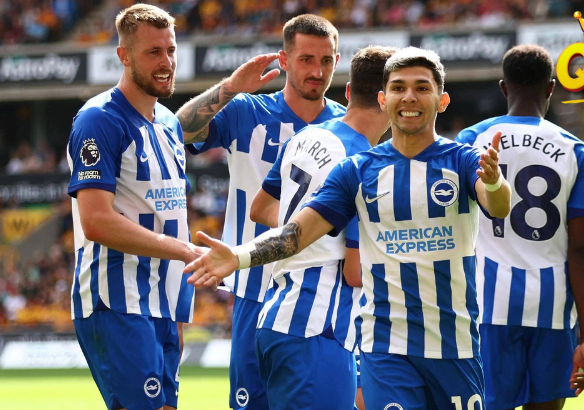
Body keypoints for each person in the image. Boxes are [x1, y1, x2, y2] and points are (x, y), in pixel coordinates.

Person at [184, 47, 512, 410]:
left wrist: (494, 182)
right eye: (398, 87)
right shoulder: (356, 169)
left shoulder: (463, 159)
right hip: (384, 346)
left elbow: (498, 206)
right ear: (383, 99)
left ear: (442, 100)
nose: (409, 97)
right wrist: (239, 256)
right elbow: (297, 233)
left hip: (453, 343)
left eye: (421, 87)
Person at [175, 14, 346, 410]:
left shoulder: (348, 127)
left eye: (326, 60)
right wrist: (229, 88)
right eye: (306, 59)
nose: (317, 71)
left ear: (337, 61)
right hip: (254, 287)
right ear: (283, 61)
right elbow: (178, 131)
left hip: (322, 296)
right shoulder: (247, 111)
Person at [67, 4, 203, 410]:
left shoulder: (169, 124)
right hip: (118, 299)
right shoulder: (99, 120)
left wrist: (178, 298)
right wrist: (185, 251)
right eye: (153, 52)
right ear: (123, 56)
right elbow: (96, 221)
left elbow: (169, 213)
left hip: (166, 300)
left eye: (171, 50)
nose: (167, 62)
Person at [248, 45, 396, 410]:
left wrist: (320, 226)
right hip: (318, 327)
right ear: (388, 99)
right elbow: (354, 271)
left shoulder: (303, 137)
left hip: (278, 317)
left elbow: (261, 209)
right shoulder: (365, 164)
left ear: (348, 91)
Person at [456, 44, 584, 410]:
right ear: (551, 88)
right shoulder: (576, 151)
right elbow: (582, 248)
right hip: (552, 307)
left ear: (504, 88)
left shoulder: (470, 141)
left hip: (488, 305)